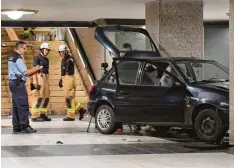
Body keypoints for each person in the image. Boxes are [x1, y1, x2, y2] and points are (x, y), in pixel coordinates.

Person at [8, 41, 41, 133]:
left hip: (13, 83)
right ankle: (24, 126)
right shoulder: (18, 58)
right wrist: (36, 68)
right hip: (18, 84)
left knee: (16, 106)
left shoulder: (11, 57)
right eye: (24, 48)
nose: (25, 50)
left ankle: (16, 126)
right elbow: (25, 72)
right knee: (22, 105)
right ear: (20, 48)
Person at [58, 44, 86, 121]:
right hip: (65, 78)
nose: (62, 53)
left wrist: (65, 75)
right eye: (60, 52)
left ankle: (70, 116)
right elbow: (63, 71)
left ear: (66, 51)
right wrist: (61, 79)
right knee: (70, 97)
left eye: (63, 52)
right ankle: (81, 109)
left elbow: (67, 68)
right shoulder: (63, 59)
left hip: (69, 78)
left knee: (69, 98)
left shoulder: (70, 58)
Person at [31, 43, 51, 122]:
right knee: (38, 96)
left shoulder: (46, 59)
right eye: (45, 50)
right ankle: (34, 116)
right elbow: (34, 70)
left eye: (48, 50)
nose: (47, 52)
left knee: (46, 97)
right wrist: (35, 81)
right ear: (42, 50)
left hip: (46, 77)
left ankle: (42, 114)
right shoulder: (37, 57)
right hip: (39, 77)